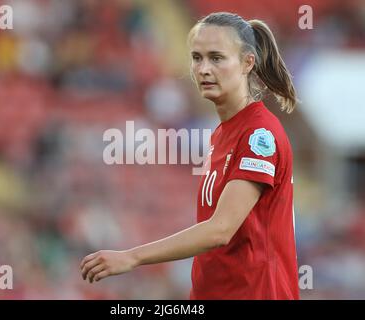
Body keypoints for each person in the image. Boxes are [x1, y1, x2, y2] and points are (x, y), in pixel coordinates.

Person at [80, 12, 300, 300]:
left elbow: (221, 230)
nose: (204, 69)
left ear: (248, 62)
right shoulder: (221, 134)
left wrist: (132, 257)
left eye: (217, 58)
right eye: (197, 58)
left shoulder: (259, 135)